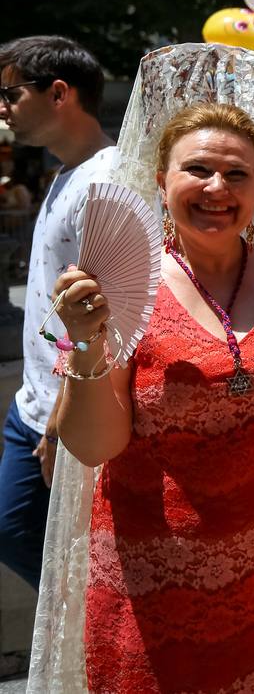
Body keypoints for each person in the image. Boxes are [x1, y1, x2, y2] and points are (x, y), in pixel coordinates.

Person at [32, 46, 254, 692]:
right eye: (198, 170)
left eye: (237, 175)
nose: (218, 188)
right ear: (161, 181)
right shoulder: (118, 288)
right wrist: (86, 344)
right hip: (160, 593)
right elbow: (95, 446)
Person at [0, 37, 116, 606]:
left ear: (59, 93)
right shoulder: (67, 174)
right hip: (33, 408)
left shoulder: (106, 179)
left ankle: (88, 636)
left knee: (47, 544)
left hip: (63, 417)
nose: (3, 108)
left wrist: (58, 422)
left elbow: (107, 316)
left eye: (11, 93)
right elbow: (57, 302)